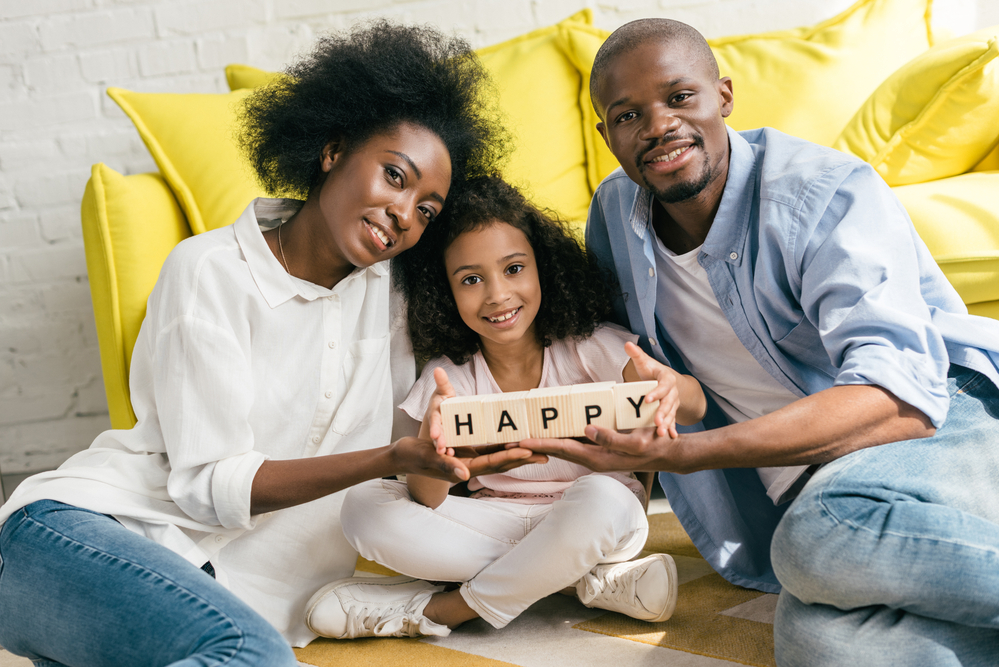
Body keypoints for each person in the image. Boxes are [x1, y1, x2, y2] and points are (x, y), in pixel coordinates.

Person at [0, 22, 533, 667]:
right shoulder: (209, 271)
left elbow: (421, 448)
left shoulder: (396, 297)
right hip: (82, 535)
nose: (404, 213)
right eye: (395, 176)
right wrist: (387, 457)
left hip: (229, 597)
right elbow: (209, 488)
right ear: (332, 150)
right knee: (250, 654)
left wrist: (459, 450)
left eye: (427, 208)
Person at [521, 18, 999, 666]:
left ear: (722, 95)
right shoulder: (612, 215)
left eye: (678, 97)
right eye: (628, 114)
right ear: (607, 136)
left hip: (939, 419)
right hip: (814, 486)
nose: (657, 124)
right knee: (816, 644)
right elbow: (630, 368)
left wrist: (695, 454)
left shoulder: (822, 194)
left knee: (810, 540)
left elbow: (899, 397)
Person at [302, 176, 708, 639]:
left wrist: (672, 387)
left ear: (543, 269)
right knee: (363, 508)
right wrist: (434, 452)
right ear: (444, 292)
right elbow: (424, 498)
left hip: (599, 516)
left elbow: (692, 408)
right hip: (496, 519)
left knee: (602, 497)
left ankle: (441, 611)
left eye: (514, 269)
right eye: (471, 279)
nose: (497, 294)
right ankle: (577, 580)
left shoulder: (590, 347)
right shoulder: (448, 378)